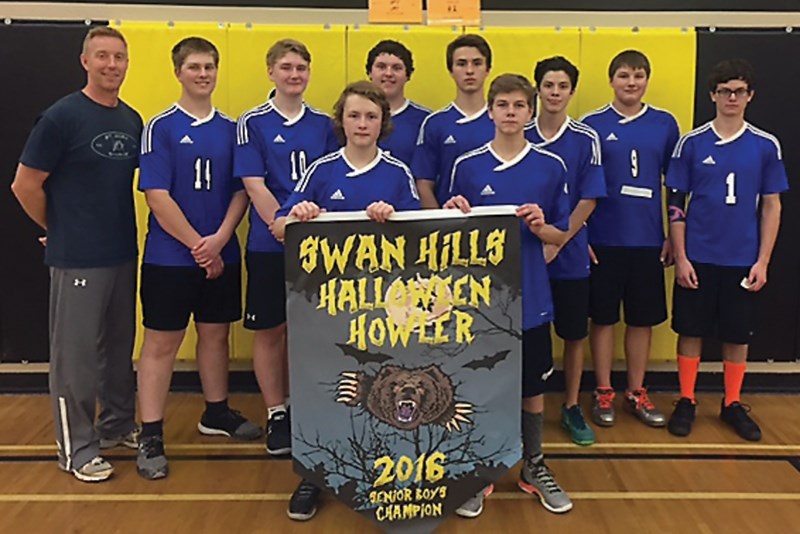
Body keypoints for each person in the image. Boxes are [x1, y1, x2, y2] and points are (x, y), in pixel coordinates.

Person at [272, 80, 420, 521]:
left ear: (383, 123)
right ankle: (315, 474)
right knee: (325, 389)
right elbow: (279, 228)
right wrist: (298, 216)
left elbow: (424, 239)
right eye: (354, 115)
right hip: (328, 309)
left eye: (371, 116)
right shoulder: (321, 171)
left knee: (382, 387)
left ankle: (384, 469)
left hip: (381, 309)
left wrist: (392, 220)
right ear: (342, 121)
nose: (362, 124)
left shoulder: (398, 174)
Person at [11, 26, 142, 482]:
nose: (111, 64)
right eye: (102, 56)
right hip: (78, 258)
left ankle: (117, 425)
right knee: (76, 359)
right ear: (85, 61)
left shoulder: (130, 119)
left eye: (119, 57)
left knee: (118, 350)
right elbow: (24, 185)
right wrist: (59, 228)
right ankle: (77, 447)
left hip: (123, 253)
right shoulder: (61, 117)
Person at [445, 73, 573, 516]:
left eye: (520, 106)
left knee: (531, 386)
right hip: (480, 302)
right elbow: (448, 232)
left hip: (531, 295)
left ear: (530, 112)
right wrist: (452, 213)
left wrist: (543, 227)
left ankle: (532, 464)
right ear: (491, 111)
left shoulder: (551, 166)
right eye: (502, 105)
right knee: (478, 382)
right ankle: (479, 468)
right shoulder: (467, 165)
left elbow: (562, 232)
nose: (511, 113)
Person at [134, 37, 260, 480]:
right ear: (178, 72)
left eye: (209, 66)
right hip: (171, 258)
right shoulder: (161, 127)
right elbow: (156, 195)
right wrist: (197, 245)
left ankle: (217, 412)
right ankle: (150, 432)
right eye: (194, 67)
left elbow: (240, 190)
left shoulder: (232, 128)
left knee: (215, 335)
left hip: (220, 253)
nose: (203, 74)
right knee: (161, 344)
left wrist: (221, 238)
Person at [665, 59, 787, 441]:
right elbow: (676, 203)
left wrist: (763, 260)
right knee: (691, 329)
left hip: (742, 258)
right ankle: (686, 399)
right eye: (724, 91)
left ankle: (732, 402)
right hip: (698, 254)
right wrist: (681, 257)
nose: (731, 97)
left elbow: (772, 204)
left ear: (749, 96)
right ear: (712, 95)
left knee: (738, 335)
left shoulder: (765, 145)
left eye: (738, 91)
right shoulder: (692, 142)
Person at [235, 39, 339, 456]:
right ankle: (277, 412)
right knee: (270, 329)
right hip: (270, 240)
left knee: (309, 329)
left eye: (301, 68)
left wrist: (304, 229)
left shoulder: (324, 123)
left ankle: (307, 405)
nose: (294, 74)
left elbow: (332, 180)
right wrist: (281, 225)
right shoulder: (252, 122)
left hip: (316, 247)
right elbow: (254, 183)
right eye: (286, 67)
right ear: (271, 72)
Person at [580, 50, 680, 429]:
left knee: (642, 320)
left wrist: (672, 234)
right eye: (624, 75)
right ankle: (603, 389)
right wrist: (581, 236)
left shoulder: (664, 124)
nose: (631, 82)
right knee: (603, 318)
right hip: (604, 238)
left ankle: (636, 391)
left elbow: (675, 185)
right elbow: (581, 187)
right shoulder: (591, 126)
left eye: (638, 75)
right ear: (611, 80)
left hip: (647, 240)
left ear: (647, 80)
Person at [526, 57, 607, 446]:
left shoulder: (585, 138)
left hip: (568, 252)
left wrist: (557, 240)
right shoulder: (519, 132)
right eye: (548, 85)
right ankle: (514, 406)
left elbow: (589, 198)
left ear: (572, 91)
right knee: (519, 333)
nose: (555, 92)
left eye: (562, 86)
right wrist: (540, 243)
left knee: (574, 333)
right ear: (537, 90)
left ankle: (572, 405)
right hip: (524, 257)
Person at [412, 34, 495, 208]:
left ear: (488, 69)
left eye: (477, 63)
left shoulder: (504, 120)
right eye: (461, 64)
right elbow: (423, 184)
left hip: (496, 225)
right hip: (451, 225)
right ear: (451, 70)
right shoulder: (435, 123)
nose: (470, 71)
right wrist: (441, 224)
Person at [366, 39, 430, 166]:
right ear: (369, 72)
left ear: (408, 75)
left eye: (397, 68)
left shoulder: (425, 121)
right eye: (381, 67)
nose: (388, 73)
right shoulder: (354, 118)